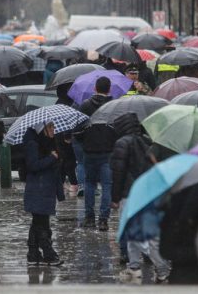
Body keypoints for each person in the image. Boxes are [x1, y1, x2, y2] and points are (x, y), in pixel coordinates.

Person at [110, 113, 169, 283]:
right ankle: (134, 266)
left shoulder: (122, 143)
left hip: (129, 194)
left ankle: (160, 266)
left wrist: (115, 197)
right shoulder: (147, 141)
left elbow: (118, 173)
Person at [24, 121, 65, 266]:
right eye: (50, 127)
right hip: (38, 189)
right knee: (42, 224)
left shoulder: (48, 144)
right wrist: (52, 158)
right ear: (42, 130)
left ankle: (33, 254)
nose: (53, 129)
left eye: (53, 126)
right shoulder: (34, 144)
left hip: (45, 189)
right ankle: (48, 254)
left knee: (38, 223)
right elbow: (33, 165)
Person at [80, 77, 117, 230]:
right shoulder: (114, 106)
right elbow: (117, 129)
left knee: (89, 184)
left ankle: (89, 218)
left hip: (89, 151)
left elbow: (79, 129)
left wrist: (85, 141)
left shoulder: (85, 105)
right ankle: (103, 220)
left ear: (95, 88)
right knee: (107, 186)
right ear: (109, 89)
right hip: (108, 152)